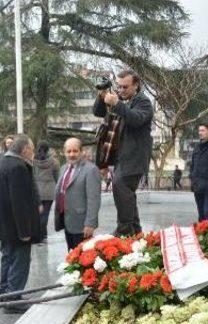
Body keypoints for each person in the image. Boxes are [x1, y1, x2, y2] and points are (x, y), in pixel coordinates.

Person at [93, 69, 153, 237]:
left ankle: (124, 230)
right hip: (120, 157)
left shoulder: (144, 102)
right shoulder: (120, 99)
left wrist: (117, 104)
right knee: (126, 193)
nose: (121, 90)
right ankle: (136, 232)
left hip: (134, 158)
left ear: (136, 85)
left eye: (125, 87)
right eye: (118, 87)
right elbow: (98, 112)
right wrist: (102, 95)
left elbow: (136, 119)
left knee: (121, 188)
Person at [0, 135, 41, 314]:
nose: (33, 153)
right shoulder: (18, 166)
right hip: (16, 226)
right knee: (20, 260)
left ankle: (5, 294)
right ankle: (14, 299)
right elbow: (19, 202)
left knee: (8, 258)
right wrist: (24, 230)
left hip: (4, 224)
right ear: (25, 149)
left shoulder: (4, 161)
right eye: (32, 149)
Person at [54, 138, 102, 250]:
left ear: (81, 151)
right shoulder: (63, 169)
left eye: (75, 151)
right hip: (67, 221)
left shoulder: (90, 170)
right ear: (64, 152)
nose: (72, 154)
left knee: (83, 260)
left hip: (82, 225)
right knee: (72, 256)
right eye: (69, 151)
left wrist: (90, 223)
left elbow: (94, 199)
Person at [33, 141, 59, 243]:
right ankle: (43, 236)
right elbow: (57, 178)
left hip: (36, 191)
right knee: (45, 214)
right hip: (49, 191)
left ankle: (38, 235)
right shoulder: (54, 162)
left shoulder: (33, 161)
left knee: (37, 214)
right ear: (48, 149)